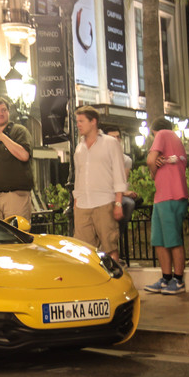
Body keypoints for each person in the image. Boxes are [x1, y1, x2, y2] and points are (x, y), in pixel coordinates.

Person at [72, 106, 128, 261]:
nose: (78, 125)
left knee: (109, 246)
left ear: (93, 122)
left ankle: (114, 283)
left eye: (82, 121)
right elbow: (79, 176)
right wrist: (76, 202)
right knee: (83, 250)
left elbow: (119, 173)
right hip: (83, 204)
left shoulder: (110, 143)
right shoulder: (79, 148)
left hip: (104, 202)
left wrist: (118, 203)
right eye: (77, 121)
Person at [143, 118, 189, 295]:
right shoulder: (176, 141)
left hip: (170, 194)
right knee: (160, 240)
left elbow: (150, 160)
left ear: (154, 131)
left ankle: (178, 281)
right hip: (163, 196)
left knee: (172, 239)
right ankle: (167, 278)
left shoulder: (163, 133)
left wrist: (153, 169)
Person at [105, 127, 138, 233]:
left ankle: (119, 233)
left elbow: (122, 181)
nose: (115, 140)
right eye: (112, 137)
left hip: (117, 194)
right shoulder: (100, 156)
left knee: (129, 203)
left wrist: (124, 192)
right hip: (102, 193)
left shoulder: (126, 160)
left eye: (118, 137)